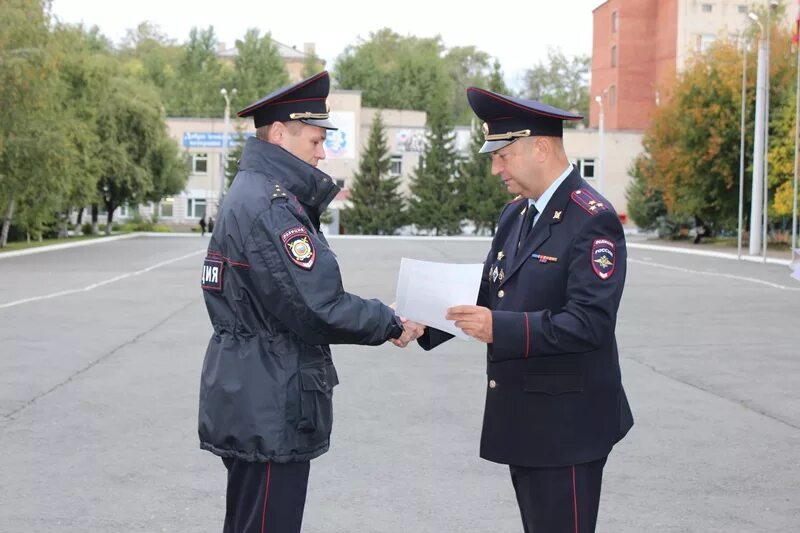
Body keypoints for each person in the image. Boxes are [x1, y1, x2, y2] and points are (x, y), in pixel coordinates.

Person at [198, 71, 424, 533]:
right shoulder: (272, 206)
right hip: (268, 395)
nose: (322, 152)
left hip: (251, 388)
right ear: (279, 134)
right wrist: (390, 321)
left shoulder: (253, 193)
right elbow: (318, 306)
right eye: (316, 140)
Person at [419, 87, 633, 533]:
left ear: (541, 147)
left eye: (504, 155)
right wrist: (423, 322)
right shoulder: (517, 214)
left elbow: (589, 323)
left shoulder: (591, 217)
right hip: (527, 418)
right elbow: (489, 288)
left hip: (568, 426)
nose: (495, 168)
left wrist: (500, 329)